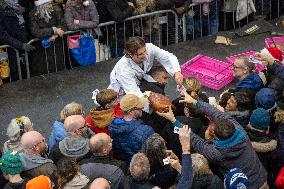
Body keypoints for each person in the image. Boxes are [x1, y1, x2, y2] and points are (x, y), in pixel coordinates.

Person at [157, 91, 268, 189]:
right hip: (262, 179)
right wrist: (195, 102)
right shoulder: (240, 130)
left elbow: (196, 141)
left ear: (215, 137)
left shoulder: (216, 153)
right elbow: (216, 113)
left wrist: (173, 120)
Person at [108, 36, 182, 98]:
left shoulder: (149, 47)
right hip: (122, 90)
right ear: (130, 54)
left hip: (140, 80)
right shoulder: (124, 69)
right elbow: (134, 94)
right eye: (140, 54)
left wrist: (177, 72)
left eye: (145, 51)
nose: (145, 55)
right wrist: (155, 102)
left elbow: (169, 57)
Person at [109, 94, 154, 163]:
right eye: (139, 107)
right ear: (130, 112)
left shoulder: (113, 126)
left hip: (127, 163)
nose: (142, 108)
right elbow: (154, 152)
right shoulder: (146, 131)